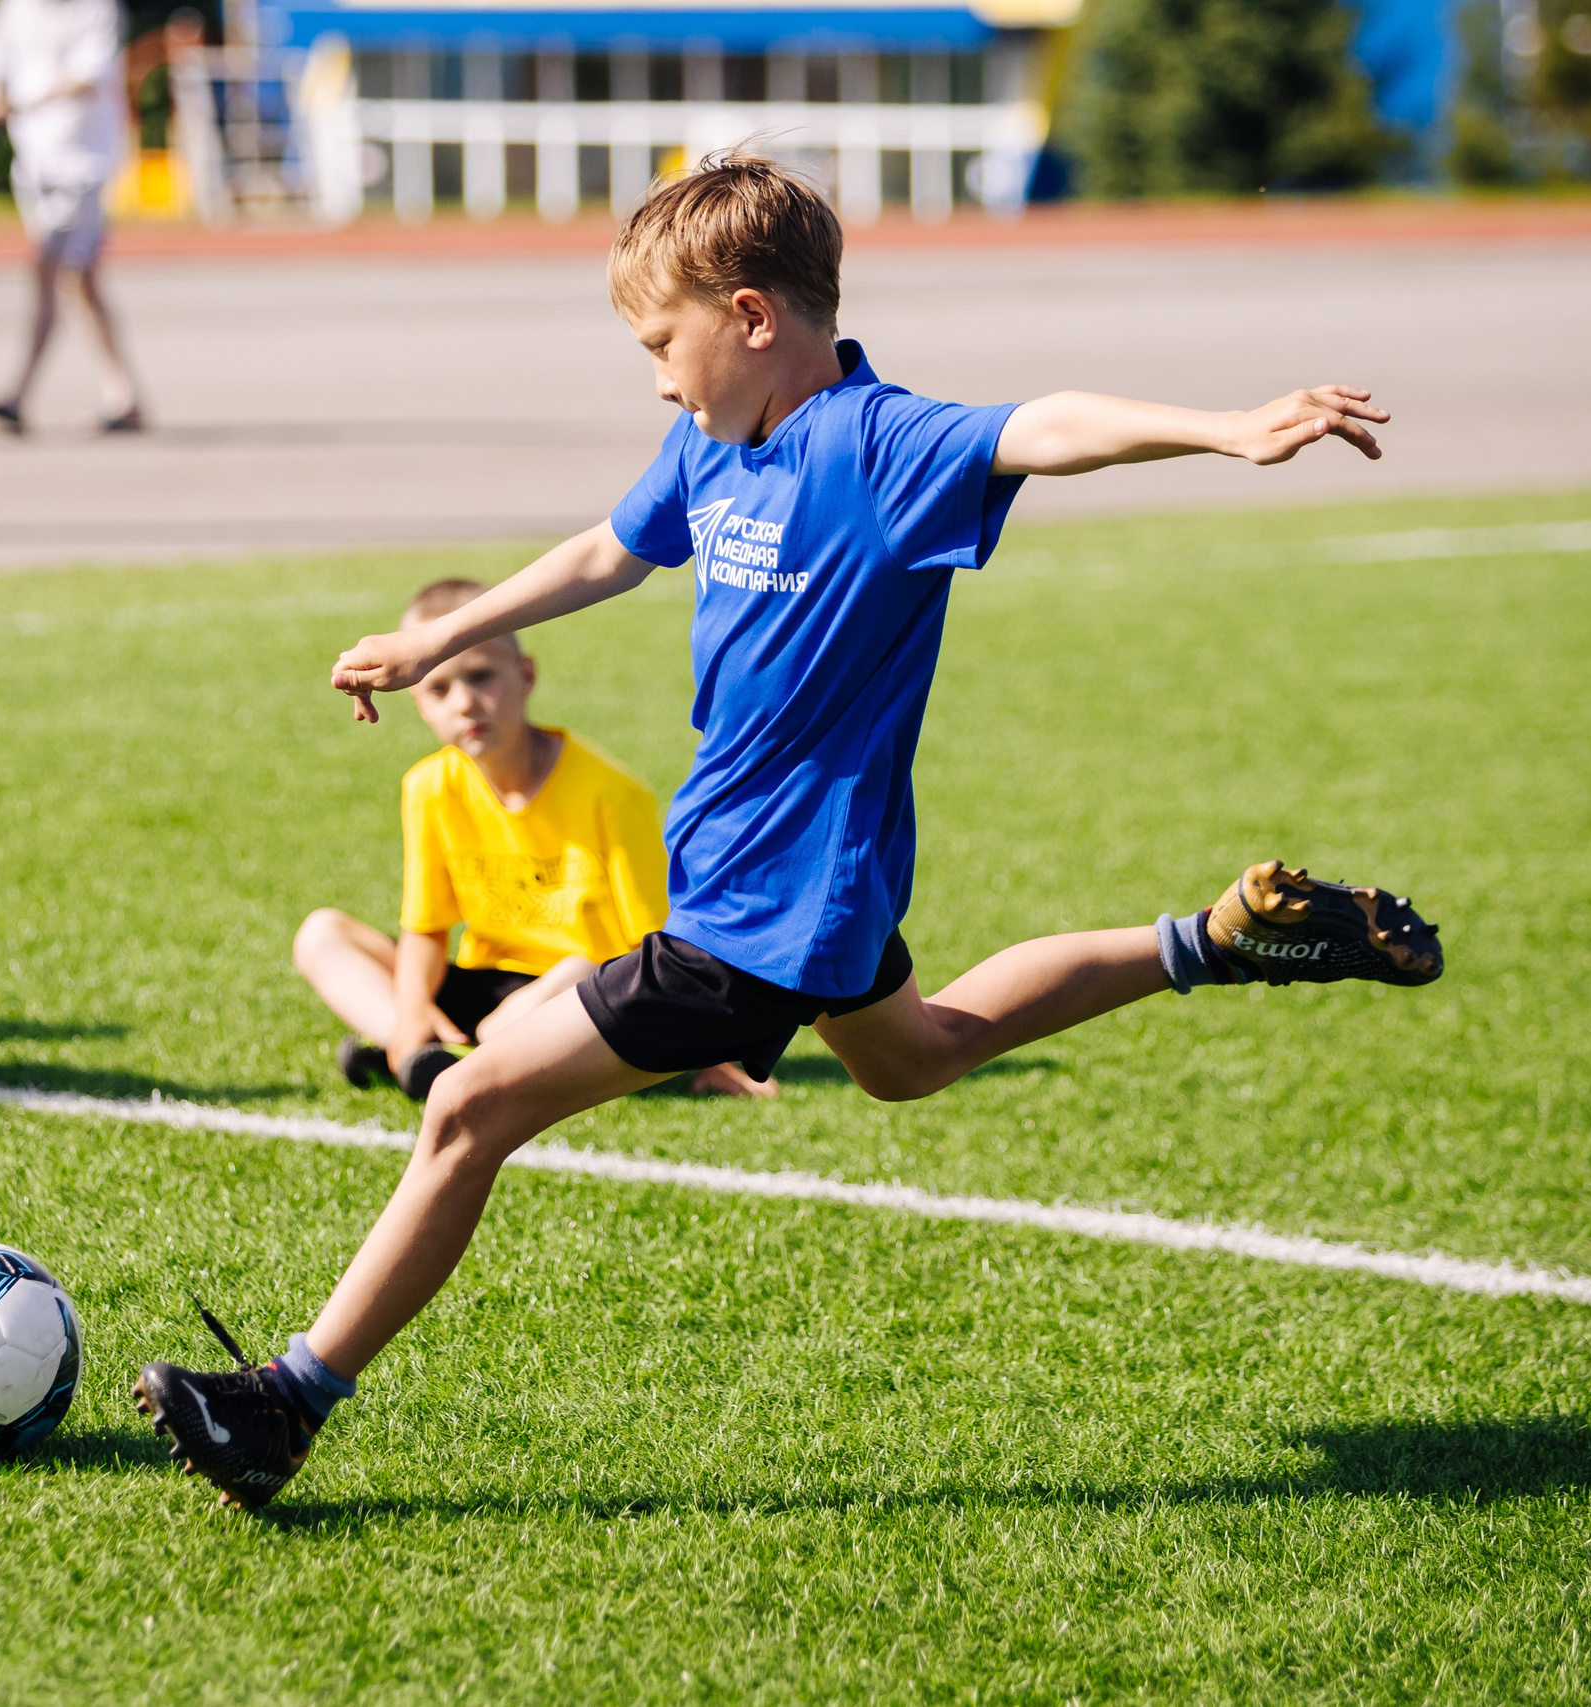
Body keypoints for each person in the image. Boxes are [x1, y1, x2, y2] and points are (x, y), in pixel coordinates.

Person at [132, 155, 1446, 1510]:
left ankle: (285, 1403)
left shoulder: (875, 444)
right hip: (798, 891)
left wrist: (1229, 427)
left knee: (467, 1104)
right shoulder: (715, 440)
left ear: (753, 317)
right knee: (917, 1054)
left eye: (662, 344)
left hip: (765, 910)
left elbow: (1036, 424)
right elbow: (613, 547)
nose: (655, 377)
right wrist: (439, 633)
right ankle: (1219, 939)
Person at [293, 577, 773, 1104]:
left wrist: (710, 1054)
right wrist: (409, 1012)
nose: (465, 702)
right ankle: (416, 1051)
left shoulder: (611, 793)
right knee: (322, 937)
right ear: (418, 701)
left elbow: (658, 949)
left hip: (589, 996)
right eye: (439, 687)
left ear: (525, 675)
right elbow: (426, 931)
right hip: (487, 989)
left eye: (481, 676)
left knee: (573, 973)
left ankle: (446, 1061)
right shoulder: (428, 788)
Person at [0, 0, 144, 435]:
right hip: (35, 165)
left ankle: (19, 394)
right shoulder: (14, 8)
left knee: (47, 269)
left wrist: (15, 102)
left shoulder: (96, 9)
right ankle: (124, 395)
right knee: (81, 280)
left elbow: (86, 78)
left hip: (82, 166)